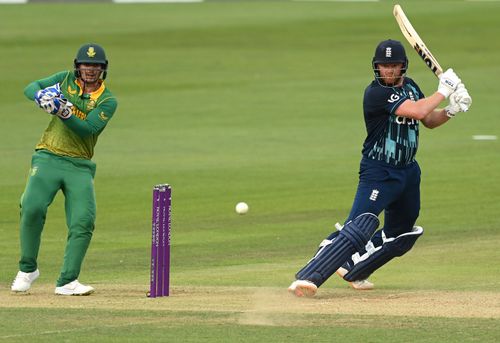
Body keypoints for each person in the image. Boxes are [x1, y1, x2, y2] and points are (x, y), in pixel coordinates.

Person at [288, 39, 471, 297]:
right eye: (384, 66)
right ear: (377, 67)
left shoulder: (410, 87)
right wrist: (443, 90)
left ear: (403, 67)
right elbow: (418, 111)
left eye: (393, 65)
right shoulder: (376, 93)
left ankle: (355, 268)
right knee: (359, 226)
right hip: (379, 171)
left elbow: (428, 119)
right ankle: (308, 277)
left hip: (407, 172)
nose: (388, 71)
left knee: (401, 234)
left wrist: (452, 110)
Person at [11, 43, 118, 296]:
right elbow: (30, 87)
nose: (90, 70)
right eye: (85, 65)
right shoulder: (64, 80)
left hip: (79, 165)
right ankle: (27, 270)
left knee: (83, 220)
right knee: (31, 207)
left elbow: (88, 129)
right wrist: (41, 97)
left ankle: (67, 281)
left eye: (95, 66)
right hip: (47, 156)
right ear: (77, 66)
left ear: (103, 70)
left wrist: (63, 110)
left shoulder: (107, 100)